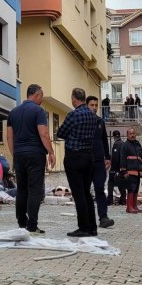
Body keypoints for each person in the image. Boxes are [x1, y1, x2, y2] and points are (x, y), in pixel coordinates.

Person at [6, 84, 56, 235]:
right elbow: (44, 134)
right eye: (41, 96)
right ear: (36, 95)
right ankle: (32, 225)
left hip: (19, 155)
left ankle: (22, 222)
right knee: (35, 190)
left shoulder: (13, 112)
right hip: (35, 154)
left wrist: (15, 154)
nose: (41, 99)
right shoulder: (38, 110)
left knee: (22, 189)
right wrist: (51, 152)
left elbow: (9, 136)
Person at [57, 88, 100, 237]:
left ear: (74, 98)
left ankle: (83, 227)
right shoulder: (93, 116)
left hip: (74, 157)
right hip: (89, 157)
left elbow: (60, 133)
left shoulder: (73, 115)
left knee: (78, 194)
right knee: (87, 193)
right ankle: (93, 227)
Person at [86, 96, 115, 229]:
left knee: (99, 188)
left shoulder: (100, 121)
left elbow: (104, 139)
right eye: (92, 105)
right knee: (85, 190)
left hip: (98, 160)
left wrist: (107, 157)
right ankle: (86, 219)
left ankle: (103, 217)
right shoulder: (83, 121)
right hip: (85, 160)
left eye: (96, 105)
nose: (94, 107)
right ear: (86, 106)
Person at [120, 127, 142, 213]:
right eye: (130, 134)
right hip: (130, 172)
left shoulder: (137, 144)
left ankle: (135, 206)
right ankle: (129, 207)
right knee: (131, 189)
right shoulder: (125, 145)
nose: (132, 135)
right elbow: (123, 159)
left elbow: (141, 156)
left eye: (133, 133)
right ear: (127, 135)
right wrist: (123, 171)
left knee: (136, 189)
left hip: (138, 171)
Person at [107, 130, 126, 205]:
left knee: (110, 183)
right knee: (121, 183)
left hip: (116, 168)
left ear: (113, 136)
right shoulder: (123, 143)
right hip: (122, 167)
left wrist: (113, 169)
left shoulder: (116, 144)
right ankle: (123, 199)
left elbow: (115, 157)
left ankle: (110, 199)